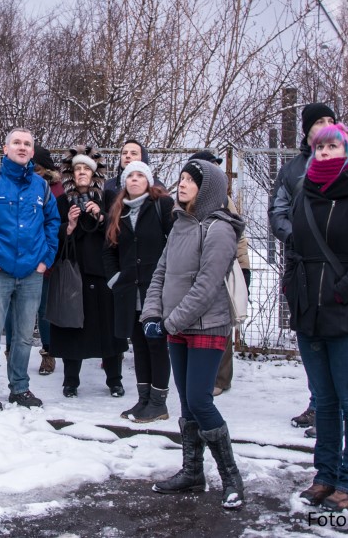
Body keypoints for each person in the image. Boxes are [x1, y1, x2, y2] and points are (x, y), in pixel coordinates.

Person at [286, 123, 348, 512]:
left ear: (347, 149)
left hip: (346, 314)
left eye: (331, 146)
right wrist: (294, 292)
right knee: (324, 402)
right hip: (309, 314)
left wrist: (343, 288)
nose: (324, 152)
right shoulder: (303, 193)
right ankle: (324, 476)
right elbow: (294, 246)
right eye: (318, 146)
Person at [141, 159, 246, 511]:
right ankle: (192, 472)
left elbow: (206, 286)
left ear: (209, 190)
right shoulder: (180, 225)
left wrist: (171, 322)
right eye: (181, 178)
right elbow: (160, 273)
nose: (182, 184)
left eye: (190, 180)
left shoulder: (218, 229)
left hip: (206, 326)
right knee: (186, 402)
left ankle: (231, 478)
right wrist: (153, 313)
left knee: (201, 400)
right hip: (177, 327)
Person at [0, 128, 60, 411]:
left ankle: (20, 388)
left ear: (32, 151)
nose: (22, 147)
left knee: (24, 337)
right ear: (5, 149)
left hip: (31, 273)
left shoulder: (40, 187)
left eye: (27, 144)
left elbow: (52, 223)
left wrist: (46, 258)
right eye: (16, 142)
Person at [269, 103, 337, 436]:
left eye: (330, 121)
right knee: (309, 339)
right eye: (318, 122)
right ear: (307, 130)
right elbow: (277, 211)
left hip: (339, 270)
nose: (325, 126)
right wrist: (295, 238)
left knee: (338, 339)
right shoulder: (291, 170)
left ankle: (335, 411)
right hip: (301, 269)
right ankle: (319, 404)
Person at [51, 146, 128, 399]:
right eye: (77, 169)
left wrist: (103, 217)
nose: (82, 173)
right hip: (75, 274)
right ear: (70, 173)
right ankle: (70, 382)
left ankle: (114, 381)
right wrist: (70, 227)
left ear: (94, 173)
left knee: (109, 329)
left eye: (87, 168)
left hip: (104, 274)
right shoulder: (62, 202)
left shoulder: (108, 199)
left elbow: (120, 234)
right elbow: (53, 236)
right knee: (73, 329)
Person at [103, 159, 174, 422]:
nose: (134, 179)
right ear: (124, 183)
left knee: (156, 345)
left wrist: (167, 279)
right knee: (139, 347)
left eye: (139, 176)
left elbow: (175, 243)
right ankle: (143, 400)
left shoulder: (162, 206)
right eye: (129, 176)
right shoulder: (117, 211)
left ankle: (158, 403)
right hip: (127, 293)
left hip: (155, 291)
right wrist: (114, 279)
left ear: (148, 181)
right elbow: (108, 251)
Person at [188, 150, 252, 397]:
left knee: (221, 326)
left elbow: (239, 238)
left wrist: (243, 269)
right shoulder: (189, 199)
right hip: (197, 270)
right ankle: (207, 375)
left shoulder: (223, 201)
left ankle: (222, 378)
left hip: (225, 270)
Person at [4, 143, 64, 375]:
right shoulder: (17, 182)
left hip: (44, 260)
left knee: (44, 309)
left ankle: (48, 354)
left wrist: (47, 256)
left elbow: (54, 226)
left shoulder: (56, 190)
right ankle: (11, 352)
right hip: (15, 257)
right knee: (13, 309)